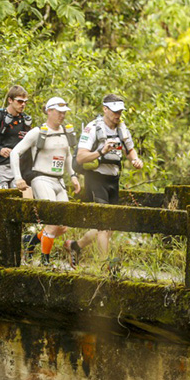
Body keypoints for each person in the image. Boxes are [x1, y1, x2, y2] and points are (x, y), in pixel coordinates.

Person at [64, 94, 143, 267]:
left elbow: (130, 150)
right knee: (103, 225)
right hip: (96, 179)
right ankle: (104, 266)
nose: (118, 115)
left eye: (120, 111)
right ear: (105, 109)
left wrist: (135, 160)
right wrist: (101, 151)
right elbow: (81, 158)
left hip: (113, 179)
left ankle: (75, 246)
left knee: (110, 225)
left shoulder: (122, 128)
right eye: (114, 111)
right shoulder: (93, 128)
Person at [10, 97, 80, 266]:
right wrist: (18, 178)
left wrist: (72, 175)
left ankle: (31, 240)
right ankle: (45, 262)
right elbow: (15, 152)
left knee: (64, 225)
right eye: (58, 112)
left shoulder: (66, 132)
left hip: (59, 181)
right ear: (49, 111)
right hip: (41, 179)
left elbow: (68, 155)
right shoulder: (37, 132)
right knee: (52, 221)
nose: (62, 116)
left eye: (64, 113)